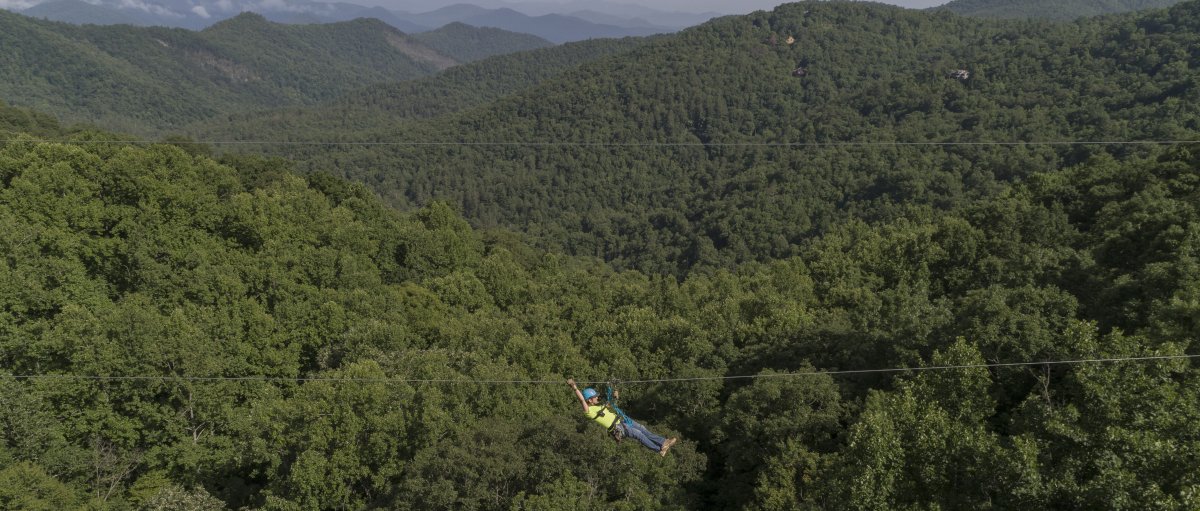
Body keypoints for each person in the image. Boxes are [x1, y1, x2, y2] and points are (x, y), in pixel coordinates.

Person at [568, 378, 677, 456]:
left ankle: (663, 442)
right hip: (618, 428)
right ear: (589, 400)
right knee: (638, 434)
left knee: (642, 428)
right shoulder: (589, 411)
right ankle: (659, 449)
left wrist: (615, 394)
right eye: (595, 397)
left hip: (622, 420)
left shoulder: (599, 406)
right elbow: (582, 400)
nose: (597, 397)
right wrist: (574, 387)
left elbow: (611, 404)